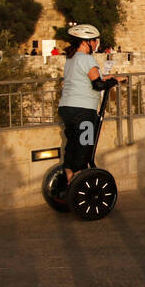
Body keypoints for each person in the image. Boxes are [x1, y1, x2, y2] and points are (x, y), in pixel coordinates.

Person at [58, 24, 126, 185]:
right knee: (85, 144)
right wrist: (115, 81)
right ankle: (78, 180)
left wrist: (109, 77)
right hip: (83, 111)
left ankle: (68, 175)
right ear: (85, 42)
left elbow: (87, 78)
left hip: (67, 108)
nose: (97, 44)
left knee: (73, 143)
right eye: (95, 40)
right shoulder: (87, 59)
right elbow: (98, 85)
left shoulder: (71, 59)